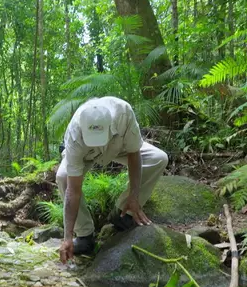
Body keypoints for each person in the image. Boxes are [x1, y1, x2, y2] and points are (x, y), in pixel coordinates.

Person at [57, 96, 168, 263]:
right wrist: (67, 236)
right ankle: (85, 235)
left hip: (119, 147)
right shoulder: (75, 133)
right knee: (63, 177)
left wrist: (134, 195)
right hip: (86, 155)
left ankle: (124, 212)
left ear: (111, 124)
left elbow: (134, 153)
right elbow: (73, 189)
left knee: (159, 158)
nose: (97, 143)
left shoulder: (124, 114)